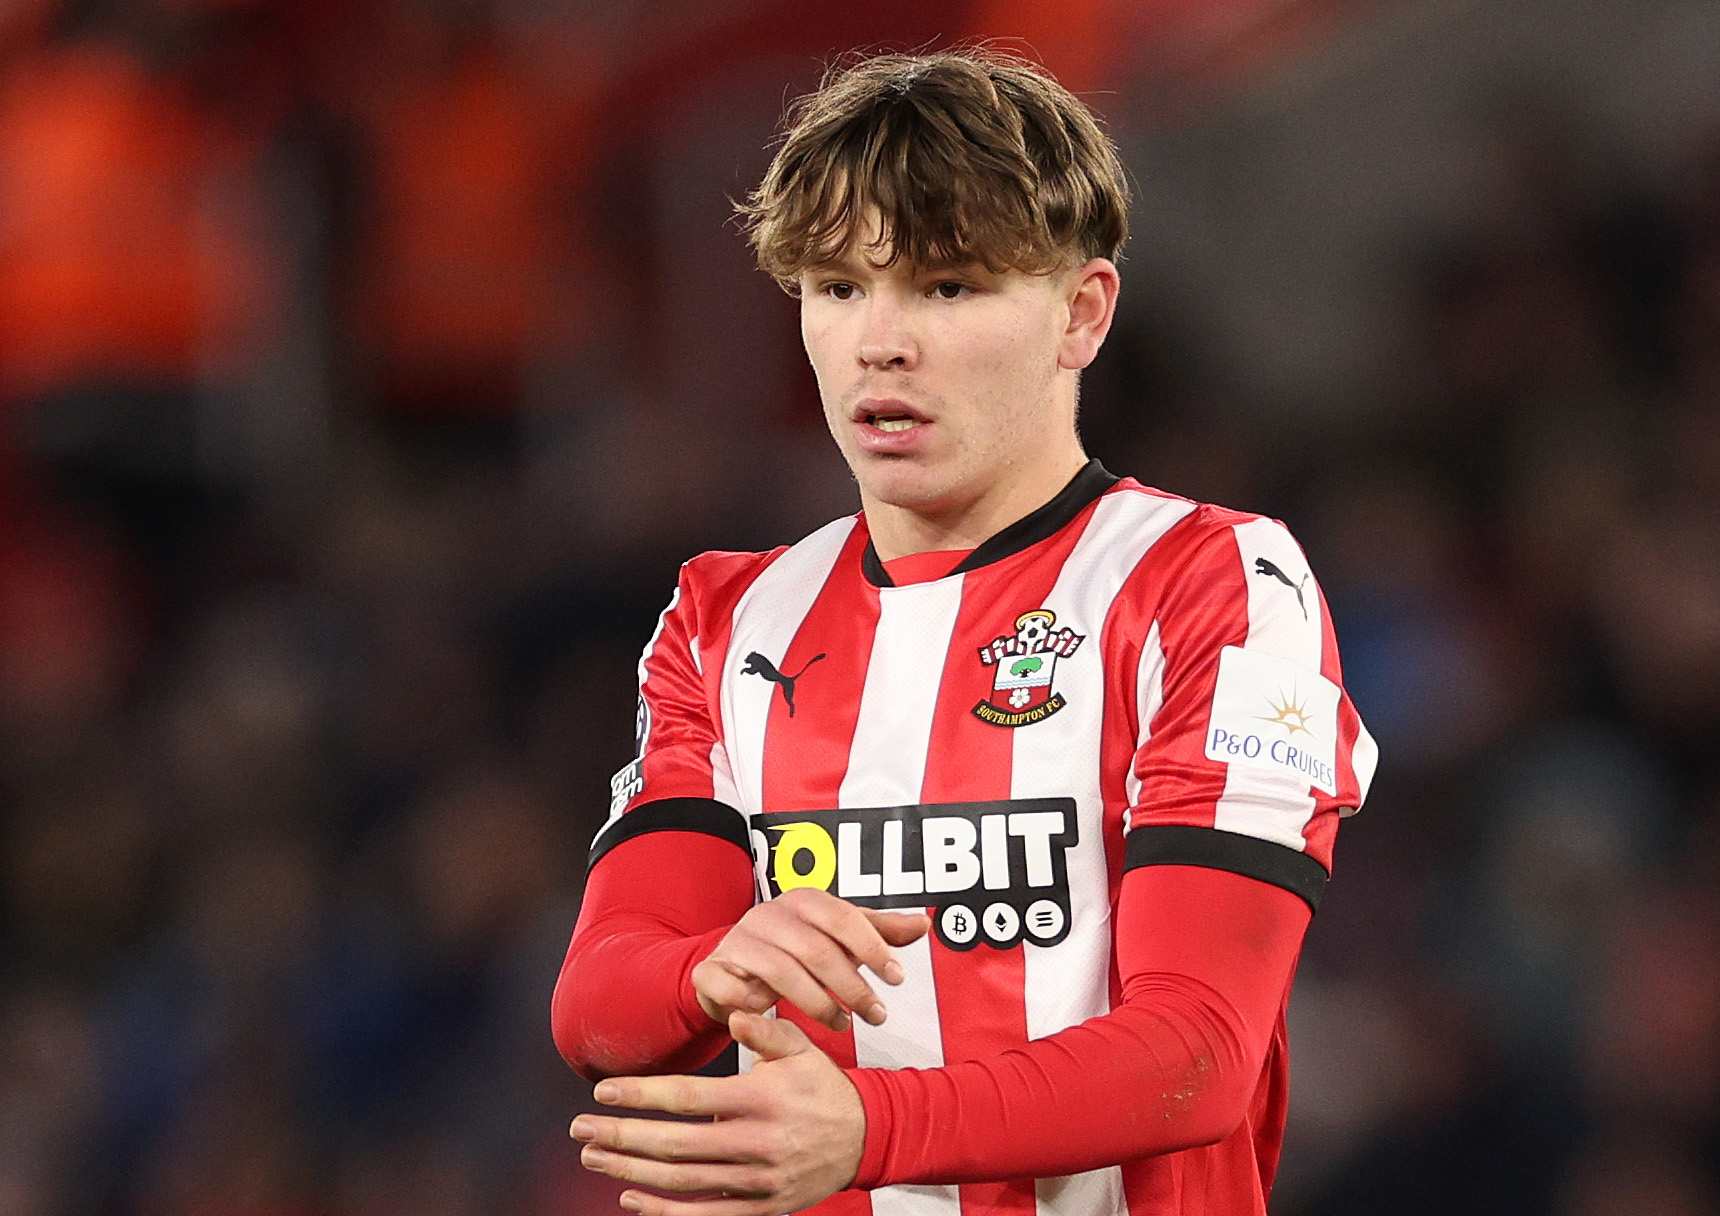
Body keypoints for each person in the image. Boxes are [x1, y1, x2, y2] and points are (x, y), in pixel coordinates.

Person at [551, 48, 1377, 1216]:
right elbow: (597, 1007)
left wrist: (873, 1131)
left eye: (947, 288)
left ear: (1082, 314)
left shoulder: (1212, 584)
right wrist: (704, 970)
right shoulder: (730, 614)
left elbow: (1200, 1049)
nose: (880, 342)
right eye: (837, 288)